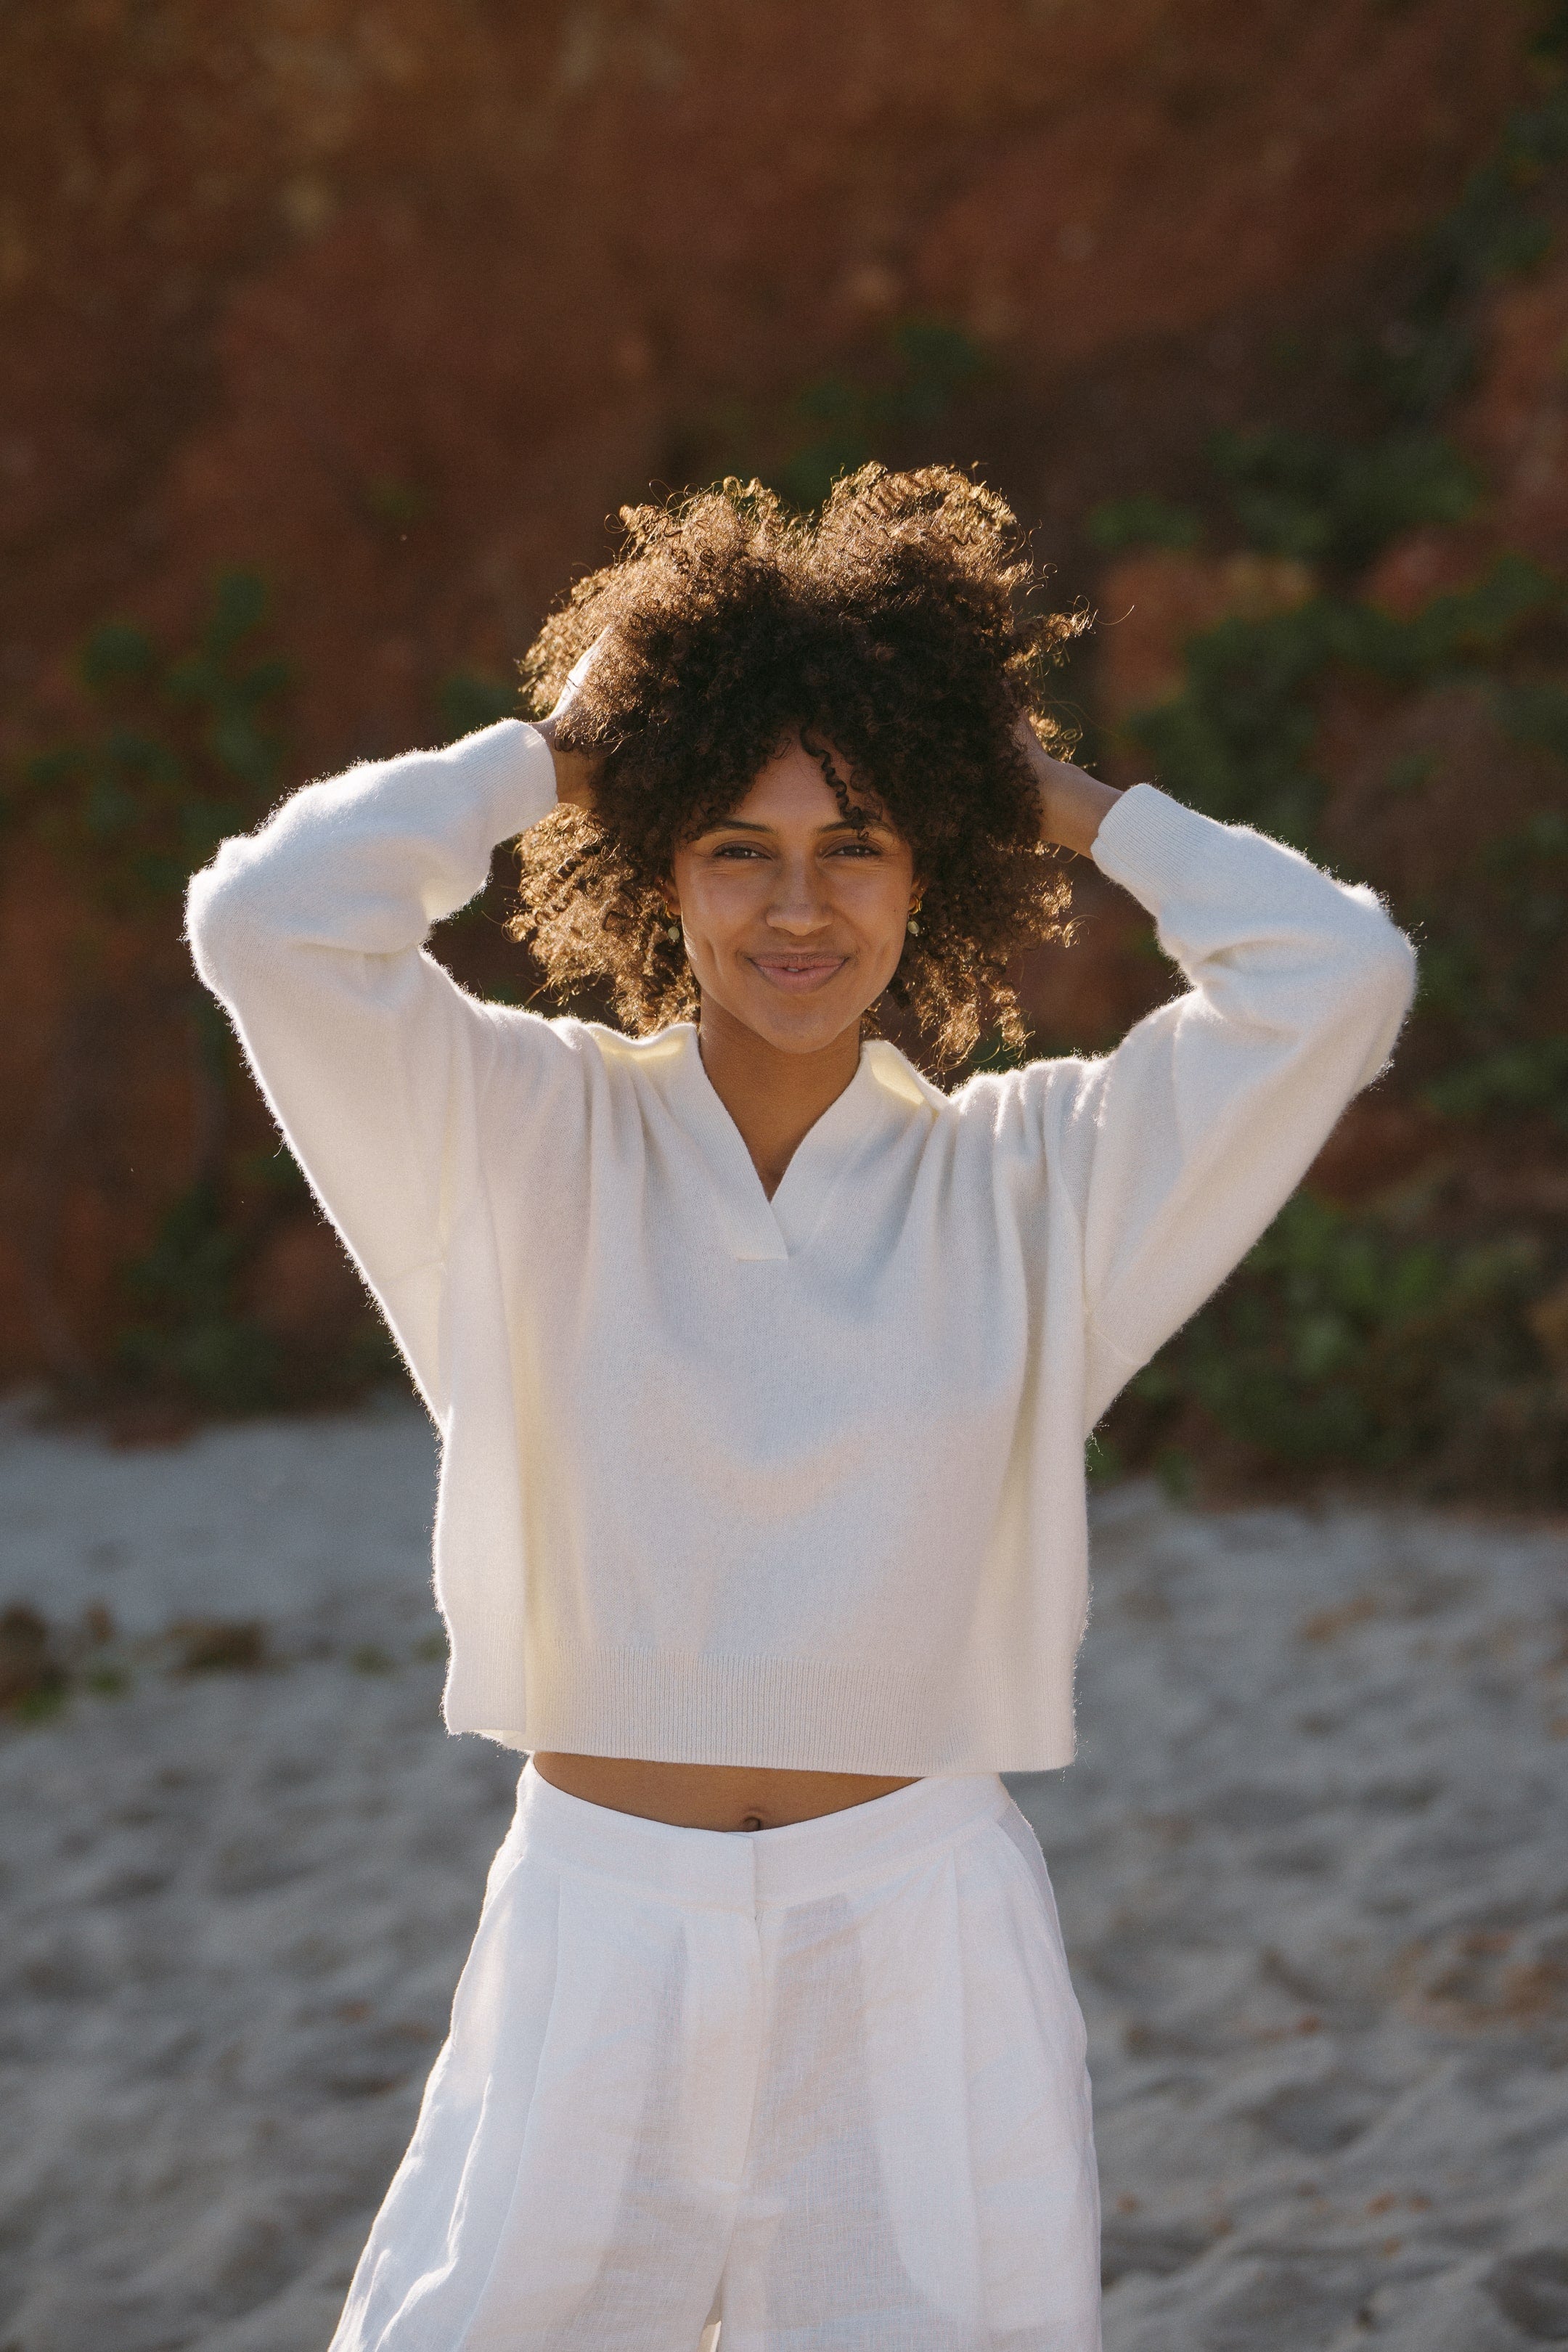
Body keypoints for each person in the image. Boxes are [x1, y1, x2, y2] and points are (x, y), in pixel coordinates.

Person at [186, 466, 1416, 2351]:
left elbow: (1339, 974)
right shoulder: (518, 1140)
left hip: (913, 1949)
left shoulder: (1034, 1185)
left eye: (856, 845)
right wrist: (556, 747)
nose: (796, 903)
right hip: (601, 1929)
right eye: (736, 847)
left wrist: (1067, 799)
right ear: (654, 871)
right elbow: (268, 921)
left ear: (933, 879)